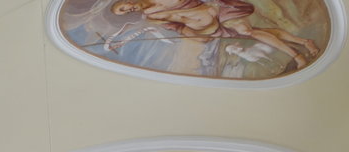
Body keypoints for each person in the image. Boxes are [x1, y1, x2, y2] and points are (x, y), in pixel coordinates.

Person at [108, 0, 320, 70]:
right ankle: (303, 42)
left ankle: (296, 55)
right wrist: (194, 34)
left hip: (216, 9)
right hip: (207, 27)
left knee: (247, 30)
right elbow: (176, 27)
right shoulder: (150, 16)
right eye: (125, 12)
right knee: (254, 34)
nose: (129, 10)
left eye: (124, 7)